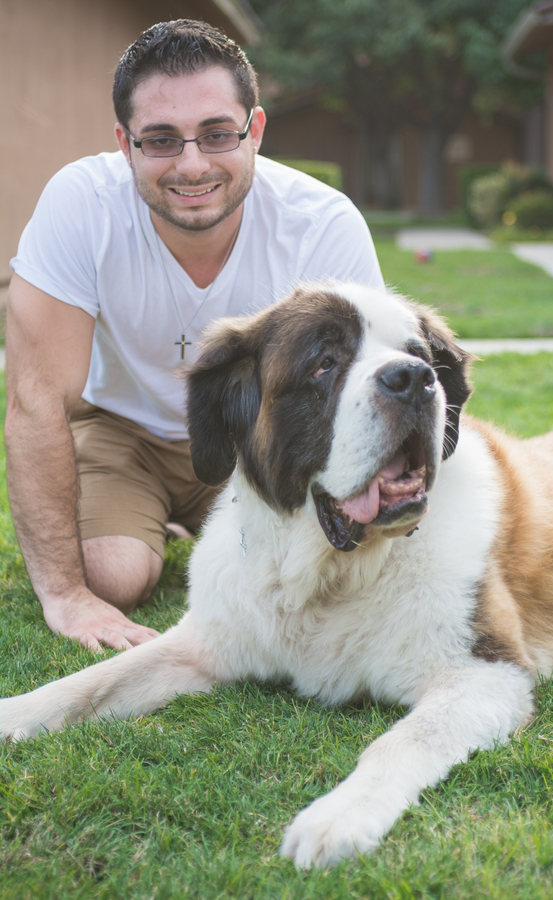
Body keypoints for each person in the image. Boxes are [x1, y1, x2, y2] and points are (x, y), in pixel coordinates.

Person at [5, 19, 384, 653]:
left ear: (255, 131)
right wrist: (67, 597)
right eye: (160, 140)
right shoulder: (80, 205)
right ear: (125, 143)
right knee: (114, 577)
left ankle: (198, 520)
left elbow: (358, 395)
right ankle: (154, 522)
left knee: (310, 578)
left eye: (216, 134)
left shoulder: (322, 224)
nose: (191, 165)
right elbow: (36, 402)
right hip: (122, 432)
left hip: (253, 436)